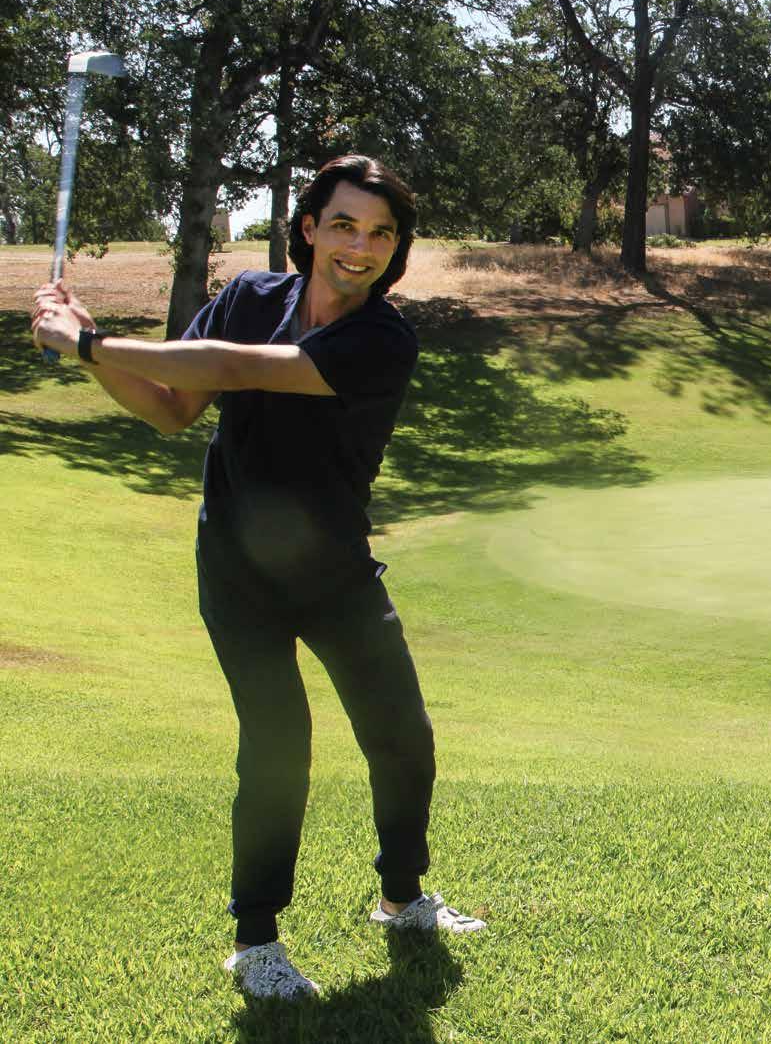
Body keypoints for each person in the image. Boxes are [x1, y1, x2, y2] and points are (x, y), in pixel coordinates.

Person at [32, 155, 485, 1001]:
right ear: (308, 228)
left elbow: (234, 368)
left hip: (336, 570)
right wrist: (88, 351)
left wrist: (88, 342)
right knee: (277, 745)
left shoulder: (381, 339)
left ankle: (402, 898)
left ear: (396, 247)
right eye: (343, 224)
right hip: (237, 569)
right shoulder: (248, 295)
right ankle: (257, 942)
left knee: (403, 737)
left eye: (380, 233)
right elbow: (172, 406)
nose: (361, 247)